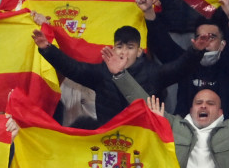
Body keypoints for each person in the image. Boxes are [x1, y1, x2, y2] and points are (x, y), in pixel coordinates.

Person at [33, 23, 206, 124]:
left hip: (145, 138)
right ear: (114, 49)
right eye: (119, 47)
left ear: (139, 51)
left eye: (130, 48)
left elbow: (179, 68)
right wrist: (48, 49)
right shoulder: (102, 72)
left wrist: (196, 51)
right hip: (110, 139)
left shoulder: (153, 72)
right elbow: (74, 69)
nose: (123, 52)